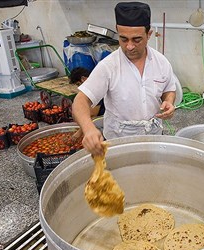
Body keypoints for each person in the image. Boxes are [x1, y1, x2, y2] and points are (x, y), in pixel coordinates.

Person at [72, 1, 176, 156]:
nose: (129, 46)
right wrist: (88, 129)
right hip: (118, 144)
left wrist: (169, 102)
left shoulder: (161, 62)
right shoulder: (108, 66)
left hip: (153, 139)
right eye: (123, 39)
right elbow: (80, 101)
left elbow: (169, 89)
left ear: (149, 35)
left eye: (136, 39)